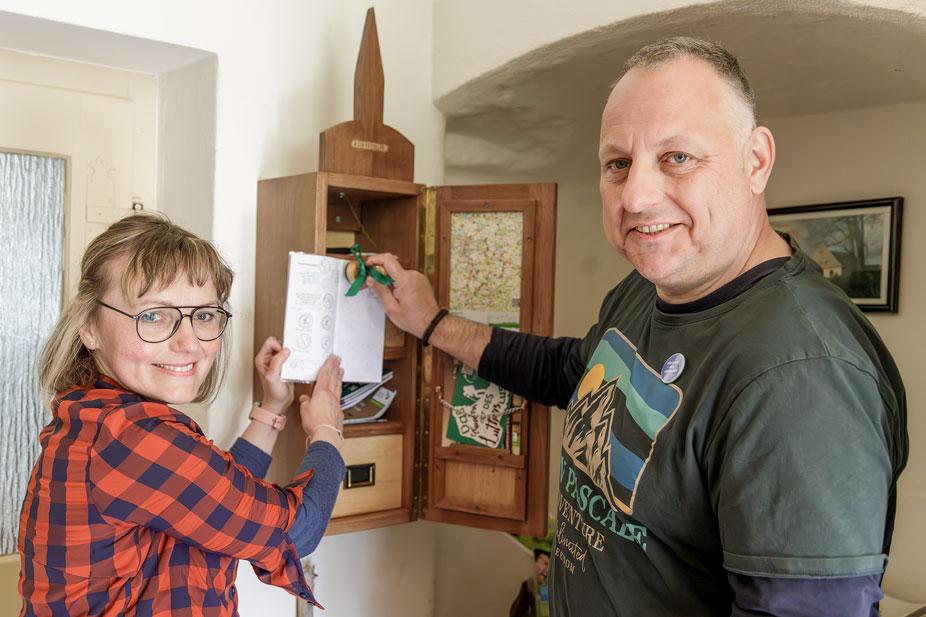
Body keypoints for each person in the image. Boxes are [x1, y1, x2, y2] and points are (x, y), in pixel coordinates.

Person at [367, 37, 908, 616]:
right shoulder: (649, 288)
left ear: (757, 160)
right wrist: (429, 321)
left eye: (677, 157)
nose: (637, 196)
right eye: (618, 163)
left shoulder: (803, 377)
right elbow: (568, 372)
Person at [18, 214, 346, 616]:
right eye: (153, 316)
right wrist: (328, 430)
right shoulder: (133, 438)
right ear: (89, 326)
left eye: (204, 315)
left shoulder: (96, 417)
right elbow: (298, 531)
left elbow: (210, 496)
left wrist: (272, 407)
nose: (189, 344)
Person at [509, 548, 551, 617]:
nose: (547, 570)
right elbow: (516, 613)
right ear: (534, 562)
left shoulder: (546, 588)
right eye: (545, 564)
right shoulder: (528, 585)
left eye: (550, 566)